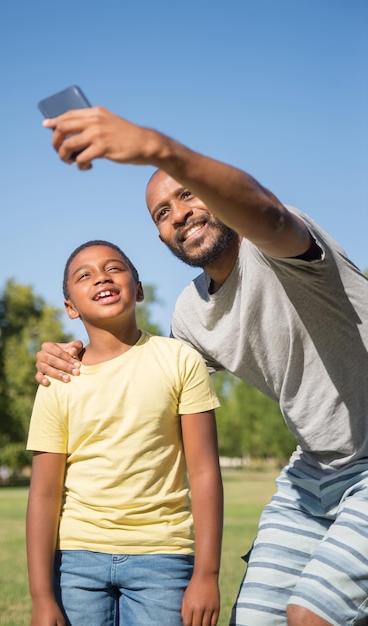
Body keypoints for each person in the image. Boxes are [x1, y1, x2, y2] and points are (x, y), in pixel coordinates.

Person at [34, 107, 368, 626]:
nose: (178, 214)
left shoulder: (276, 244)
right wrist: (70, 354)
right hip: (313, 472)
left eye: (187, 193)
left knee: (310, 615)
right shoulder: (190, 316)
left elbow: (267, 212)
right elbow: (147, 374)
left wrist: (160, 151)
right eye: (161, 214)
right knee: (255, 619)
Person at [26, 239, 223, 626]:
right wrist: (41, 597)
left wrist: (207, 574)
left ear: (139, 288)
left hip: (163, 558)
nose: (102, 277)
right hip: (76, 561)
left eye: (114, 268)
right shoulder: (58, 379)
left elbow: (204, 472)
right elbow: (44, 493)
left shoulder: (179, 359)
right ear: (70, 307)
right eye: (85, 275)